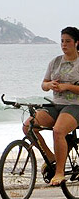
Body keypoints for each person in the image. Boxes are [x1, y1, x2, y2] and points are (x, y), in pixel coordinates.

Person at [23, 26, 79, 186]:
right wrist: (49, 85)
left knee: (59, 130)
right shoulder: (55, 62)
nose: (64, 44)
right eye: (62, 41)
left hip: (76, 106)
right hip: (56, 104)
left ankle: (60, 172)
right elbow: (44, 83)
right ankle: (51, 157)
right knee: (28, 126)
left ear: (76, 43)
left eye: (68, 41)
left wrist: (67, 87)